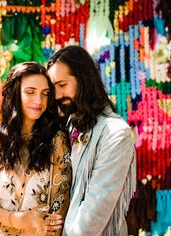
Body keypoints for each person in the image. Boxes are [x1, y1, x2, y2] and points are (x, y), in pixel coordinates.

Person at [0, 61, 72, 236]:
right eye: (30, 92)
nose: (39, 101)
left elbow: (55, 221)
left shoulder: (57, 141)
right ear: (14, 93)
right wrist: (21, 220)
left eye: (45, 94)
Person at [46, 45, 136, 236]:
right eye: (53, 88)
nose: (57, 95)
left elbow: (92, 216)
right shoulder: (69, 124)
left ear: (85, 80)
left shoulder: (116, 133)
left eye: (62, 85)